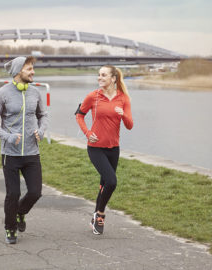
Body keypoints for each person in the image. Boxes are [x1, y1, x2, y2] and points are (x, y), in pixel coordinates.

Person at [0, 56, 49, 244]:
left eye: (32, 68)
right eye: (29, 69)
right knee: (13, 193)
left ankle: (20, 212)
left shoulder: (35, 93)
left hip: (32, 153)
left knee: (35, 192)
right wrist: (8, 136)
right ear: (18, 71)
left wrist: (42, 130)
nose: (33, 72)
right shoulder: (2, 94)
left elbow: (43, 115)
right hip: (10, 154)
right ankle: (10, 228)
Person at [75, 65, 133, 235]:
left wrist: (123, 114)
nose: (100, 78)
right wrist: (87, 133)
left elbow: (130, 125)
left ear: (113, 78)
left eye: (104, 75)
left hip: (114, 148)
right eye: (99, 75)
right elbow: (79, 115)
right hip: (95, 148)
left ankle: (95, 217)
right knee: (112, 181)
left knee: (104, 184)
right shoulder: (93, 96)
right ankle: (100, 214)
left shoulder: (123, 99)